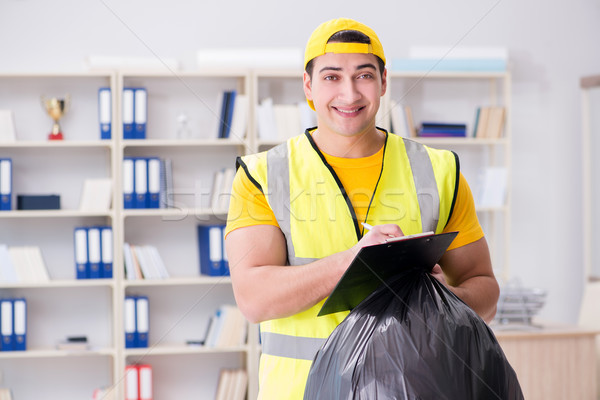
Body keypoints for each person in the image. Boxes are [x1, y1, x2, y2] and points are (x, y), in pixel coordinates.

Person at [225, 17, 499, 400]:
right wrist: (354, 261)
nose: (350, 94)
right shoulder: (262, 176)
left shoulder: (439, 172)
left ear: (384, 82)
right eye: (332, 77)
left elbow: (485, 288)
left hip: (413, 390)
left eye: (364, 75)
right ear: (308, 86)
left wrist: (445, 299)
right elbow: (253, 298)